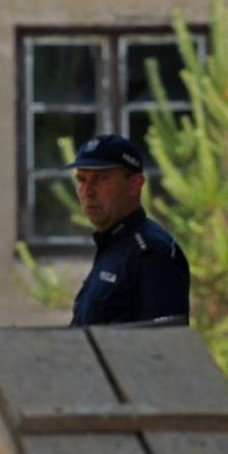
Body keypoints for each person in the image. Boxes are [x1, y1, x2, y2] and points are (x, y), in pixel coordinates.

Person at [67, 134, 190, 326]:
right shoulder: (113, 245)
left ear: (134, 185)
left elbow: (163, 347)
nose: (88, 192)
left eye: (102, 179)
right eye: (82, 180)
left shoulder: (150, 252)